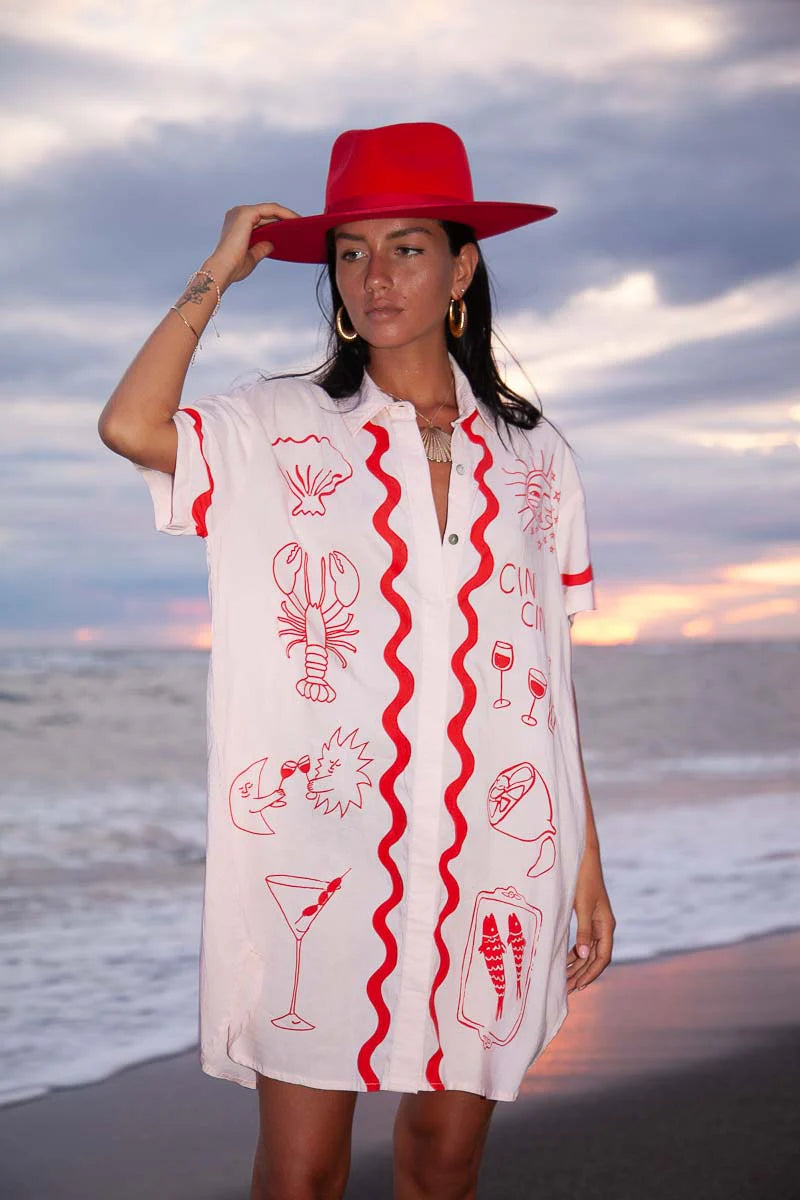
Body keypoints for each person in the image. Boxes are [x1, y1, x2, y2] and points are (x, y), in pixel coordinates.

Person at [99, 121, 615, 1200]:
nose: (375, 276)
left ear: (462, 265)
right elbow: (131, 425)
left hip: (495, 851)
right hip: (315, 856)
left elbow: (543, 686)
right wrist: (217, 274)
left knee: (443, 1162)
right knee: (299, 1178)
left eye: (408, 247)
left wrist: (583, 865)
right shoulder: (273, 427)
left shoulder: (535, 458)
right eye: (350, 251)